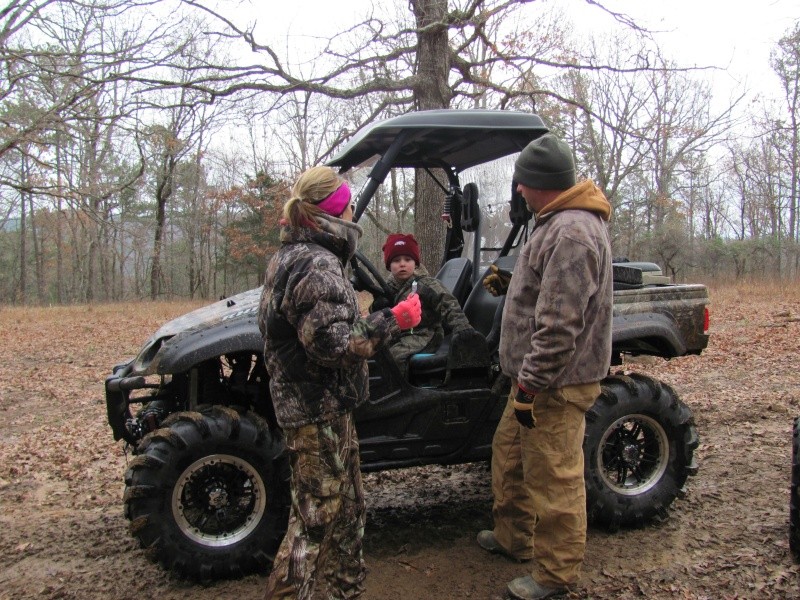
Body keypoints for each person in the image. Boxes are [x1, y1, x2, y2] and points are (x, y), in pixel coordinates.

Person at [257, 166, 421, 600]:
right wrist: (395, 320)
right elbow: (333, 346)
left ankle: (342, 592)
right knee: (314, 522)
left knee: (347, 512)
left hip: (329, 409)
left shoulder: (302, 255)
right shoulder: (315, 262)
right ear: (335, 210)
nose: (354, 210)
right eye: (350, 203)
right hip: (315, 414)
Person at [476, 133, 613, 600]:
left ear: (543, 183)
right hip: (533, 381)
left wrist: (530, 386)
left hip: (555, 383)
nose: (517, 190)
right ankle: (514, 539)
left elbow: (558, 327)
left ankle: (555, 576)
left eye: (523, 182)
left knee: (554, 477)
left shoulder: (572, 232)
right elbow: (549, 293)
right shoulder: (553, 223)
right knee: (510, 456)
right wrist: (512, 283)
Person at [379, 232, 477, 376]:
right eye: (396, 260)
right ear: (389, 266)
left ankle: (400, 393)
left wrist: (462, 326)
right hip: (399, 333)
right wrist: (377, 305)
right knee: (374, 351)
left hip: (425, 334)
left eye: (407, 259)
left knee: (394, 357)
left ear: (415, 263)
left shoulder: (425, 284)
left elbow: (447, 302)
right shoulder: (389, 288)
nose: (402, 264)